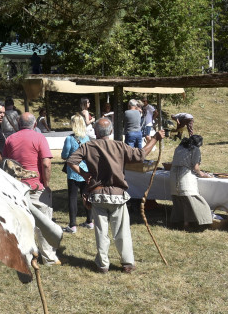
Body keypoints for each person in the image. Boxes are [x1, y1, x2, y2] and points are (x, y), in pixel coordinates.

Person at [66, 117, 163, 274]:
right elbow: (141, 154)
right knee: (122, 232)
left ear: (96, 132)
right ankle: (127, 263)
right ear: (110, 131)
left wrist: (84, 174)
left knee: (101, 232)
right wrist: (155, 138)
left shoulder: (87, 146)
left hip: (97, 196)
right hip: (117, 196)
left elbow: (71, 161)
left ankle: (103, 265)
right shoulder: (119, 145)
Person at [3, 112, 61, 265]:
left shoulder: (9, 139)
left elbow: (6, 163)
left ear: (18, 124)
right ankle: (48, 257)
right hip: (36, 187)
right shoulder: (39, 138)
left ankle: (24, 256)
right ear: (35, 124)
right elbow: (46, 164)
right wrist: (47, 185)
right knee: (43, 222)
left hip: (17, 188)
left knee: (21, 223)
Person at [169, 135, 213, 229]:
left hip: (173, 173)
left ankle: (178, 221)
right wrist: (203, 174)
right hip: (184, 176)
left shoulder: (179, 147)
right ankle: (196, 221)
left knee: (179, 200)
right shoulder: (195, 149)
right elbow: (196, 168)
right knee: (190, 199)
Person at [60, 115, 93, 233]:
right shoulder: (88, 139)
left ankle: (72, 225)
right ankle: (90, 221)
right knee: (86, 196)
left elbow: (64, 155)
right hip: (85, 171)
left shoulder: (70, 139)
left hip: (73, 172)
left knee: (72, 198)